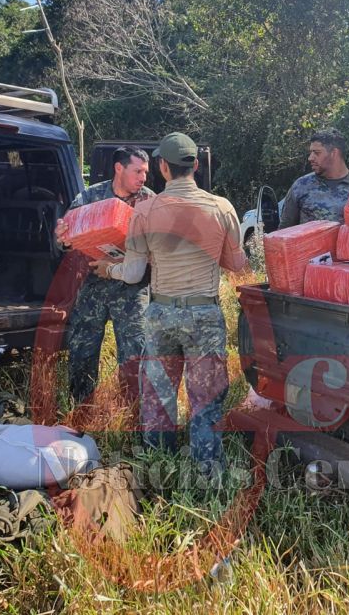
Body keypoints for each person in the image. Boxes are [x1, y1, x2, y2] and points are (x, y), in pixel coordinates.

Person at [91, 132, 248, 473]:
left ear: (163, 166)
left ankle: (158, 466)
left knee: (158, 396)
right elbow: (237, 265)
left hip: (161, 312)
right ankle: (208, 472)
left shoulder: (145, 210)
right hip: (204, 312)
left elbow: (133, 273)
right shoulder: (222, 207)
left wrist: (108, 268)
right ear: (195, 165)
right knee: (206, 399)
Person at [60, 146, 155, 403]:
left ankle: (132, 413)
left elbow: (161, 249)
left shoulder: (150, 202)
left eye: (145, 172)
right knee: (82, 350)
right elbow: (67, 235)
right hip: (93, 286)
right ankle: (81, 409)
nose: (143, 178)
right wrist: (63, 237)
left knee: (135, 354)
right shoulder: (91, 197)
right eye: (138, 171)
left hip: (132, 290)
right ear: (119, 168)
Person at [278, 127, 349, 228]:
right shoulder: (301, 186)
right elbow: (284, 232)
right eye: (311, 153)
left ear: (334, 153)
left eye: (317, 153)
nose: (310, 158)